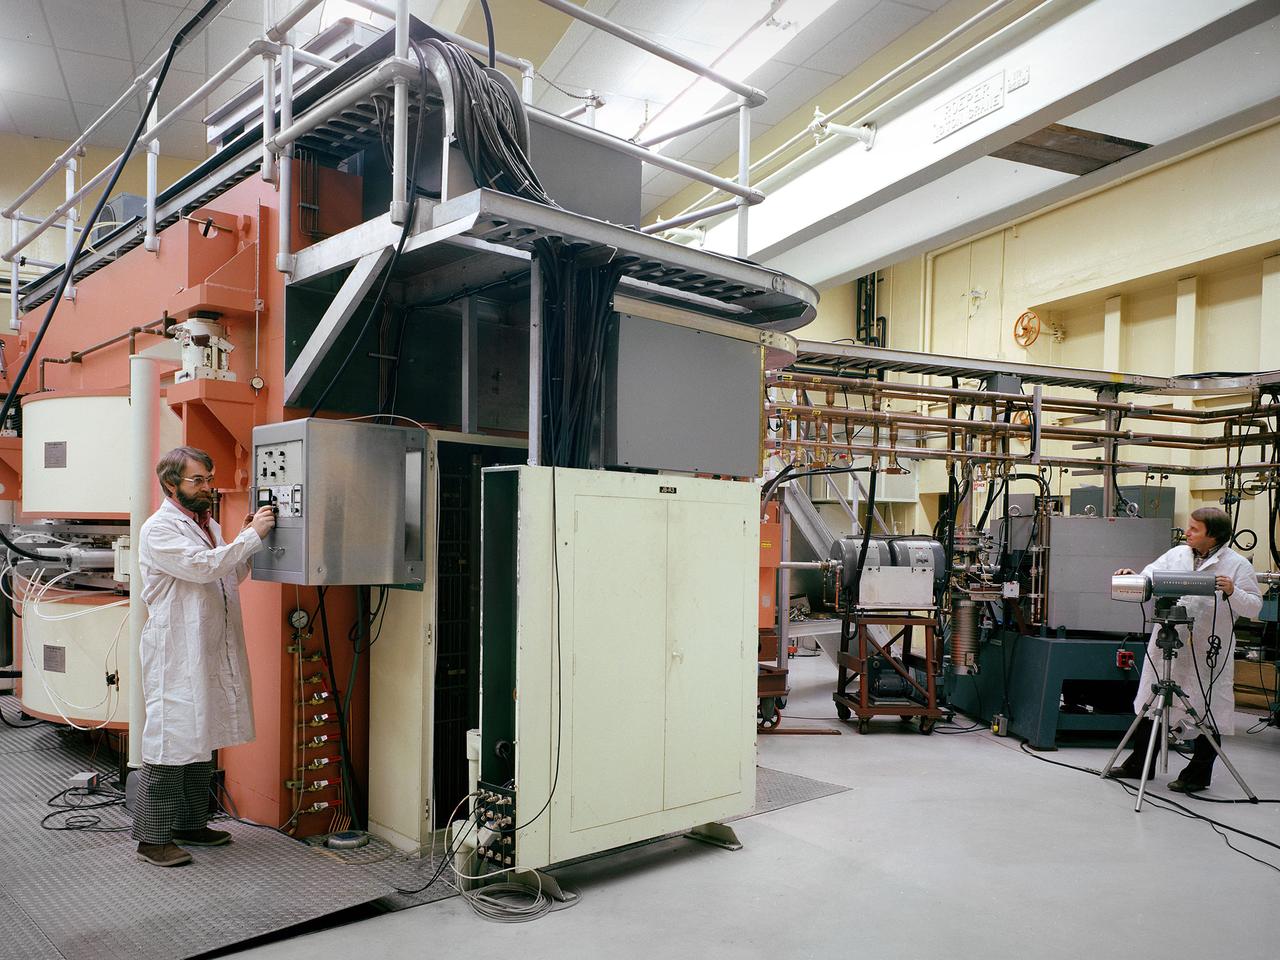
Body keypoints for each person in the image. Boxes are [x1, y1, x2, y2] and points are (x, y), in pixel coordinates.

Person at [132, 446, 275, 867]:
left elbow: (228, 572)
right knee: (169, 741)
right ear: (171, 484)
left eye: (210, 479)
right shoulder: (159, 529)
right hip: (176, 651)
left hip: (208, 645)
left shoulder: (207, 524)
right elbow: (201, 567)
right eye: (199, 480)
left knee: (202, 735)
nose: (208, 487)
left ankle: (191, 824)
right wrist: (249, 538)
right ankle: (152, 840)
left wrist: (243, 544)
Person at [1111, 507, 1261, 792]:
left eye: (1194, 529)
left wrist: (1232, 591)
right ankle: (1139, 764)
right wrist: (1132, 576)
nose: (1187, 532)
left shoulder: (1237, 565)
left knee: (1210, 708)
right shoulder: (1177, 554)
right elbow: (1149, 578)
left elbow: (1253, 606)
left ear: (1213, 535)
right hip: (1169, 640)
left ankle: (1198, 774)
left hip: (1208, 649)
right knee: (1152, 701)